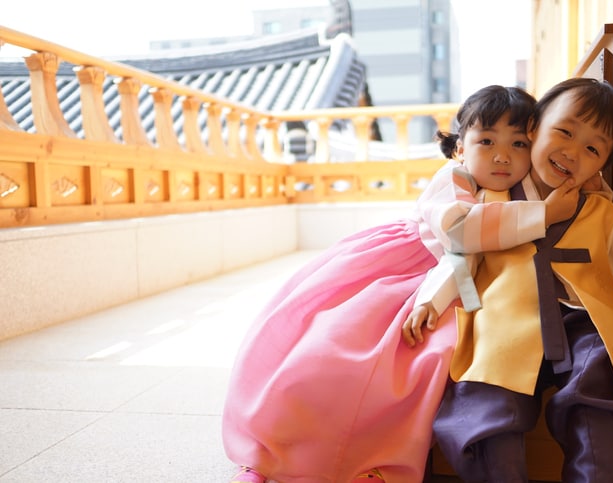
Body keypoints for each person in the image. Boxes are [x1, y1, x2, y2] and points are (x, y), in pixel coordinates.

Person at [222, 85, 586, 483]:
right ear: (459, 148)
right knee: (336, 349)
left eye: (518, 143)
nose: (502, 155)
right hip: (405, 265)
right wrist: (543, 215)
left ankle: (371, 463)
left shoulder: (519, 188)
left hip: (453, 281)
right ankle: (269, 454)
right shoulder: (454, 178)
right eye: (486, 140)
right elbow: (461, 233)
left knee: (423, 367)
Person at [405, 77, 613, 482]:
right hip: (503, 325)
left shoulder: (599, 213)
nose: (573, 152)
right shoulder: (490, 202)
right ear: (534, 128)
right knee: (487, 406)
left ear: (601, 164)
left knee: (603, 385)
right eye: (565, 132)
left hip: (580, 325)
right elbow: (458, 255)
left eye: (592, 149)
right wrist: (429, 302)